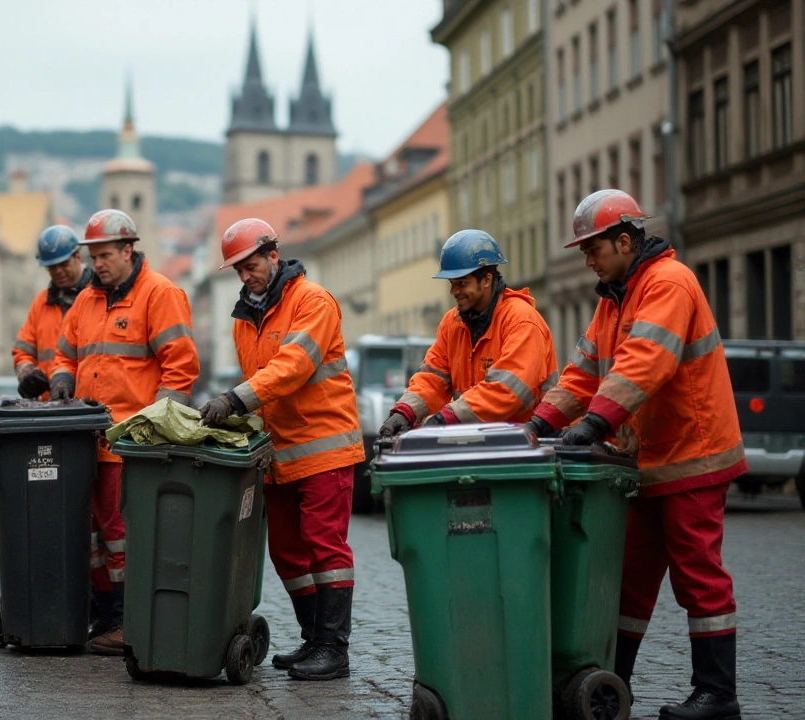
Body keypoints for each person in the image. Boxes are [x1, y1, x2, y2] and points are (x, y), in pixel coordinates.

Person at [527, 189, 745, 720]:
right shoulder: (614, 299)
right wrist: (538, 424)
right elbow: (580, 373)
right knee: (626, 580)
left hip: (693, 453)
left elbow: (646, 361)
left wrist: (597, 422)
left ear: (625, 241)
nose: (587, 259)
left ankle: (718, 695)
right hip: (646, 460)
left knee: (697, 573)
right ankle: (609, 682)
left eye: (593, 248)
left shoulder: (668, 284)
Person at [198, 218, 362, 681]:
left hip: (323, 448)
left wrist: (233, 399)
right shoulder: (244, 319)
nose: (245, 276)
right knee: (288, 553)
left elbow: (292, 367)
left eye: (251, 265)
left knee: (325, 548)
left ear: (274, 255)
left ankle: (334, 647)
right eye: (238, 270)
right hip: (281, 456)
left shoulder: (312, 301)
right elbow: (264, 385)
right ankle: (313, 640)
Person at [49, 208, 199, 654]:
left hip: (130, 442)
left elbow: (181, 367)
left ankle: (126, 621)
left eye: (106, 255)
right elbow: (65, 355)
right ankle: (107, 614)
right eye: (93, 256)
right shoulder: (86, 301)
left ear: (129, 250)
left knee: (121, 534)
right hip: (85, 441)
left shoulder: (159, 294)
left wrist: (156, 429)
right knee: (96, 535)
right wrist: (60, 378)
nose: (99, 264)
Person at [378, 229, 558, 439]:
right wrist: (404, 412)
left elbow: (508, 390)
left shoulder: (521, 319)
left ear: (486, 280)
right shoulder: (452, 323)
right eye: (452, 284)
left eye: (462, 283)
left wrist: (446, 418)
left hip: (532, 444)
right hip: (483, 442)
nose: (454, 291)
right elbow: (433, 379)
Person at [12, 225, 93, 399]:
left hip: (88, 406)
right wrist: (27, 374)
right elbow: (22, 351)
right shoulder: (41, 303)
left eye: (63, 264)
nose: (58, 271)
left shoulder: (98, 298)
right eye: (51, 267)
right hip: (50, 407)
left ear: (77, 257)